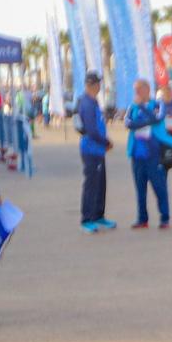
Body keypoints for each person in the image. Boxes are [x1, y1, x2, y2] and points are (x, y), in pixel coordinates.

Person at [125, 79, 172, 229]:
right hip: (137, 154)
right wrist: (145, 121)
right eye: (135, 90)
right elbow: (128, 123)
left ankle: (164, 218)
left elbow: (157, 119)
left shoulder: (157, 104)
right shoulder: (132, 107)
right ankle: (142, 218)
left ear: (147, 89)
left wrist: (142, 108)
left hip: (154, 154)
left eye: (139, 89)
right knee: (140, 189)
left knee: (159, 187)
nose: (137, 93)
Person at [76, 74, 116, 232]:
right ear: (92, 85)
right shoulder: (86, 103)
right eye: (98, 83)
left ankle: (98, 215)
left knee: (100, 183)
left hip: (97, 149)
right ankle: (86, 218)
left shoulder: (93, 101)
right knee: (91, 184)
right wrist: (106, 142)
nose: (100, 85)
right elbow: (91, 130)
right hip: (91, 149)